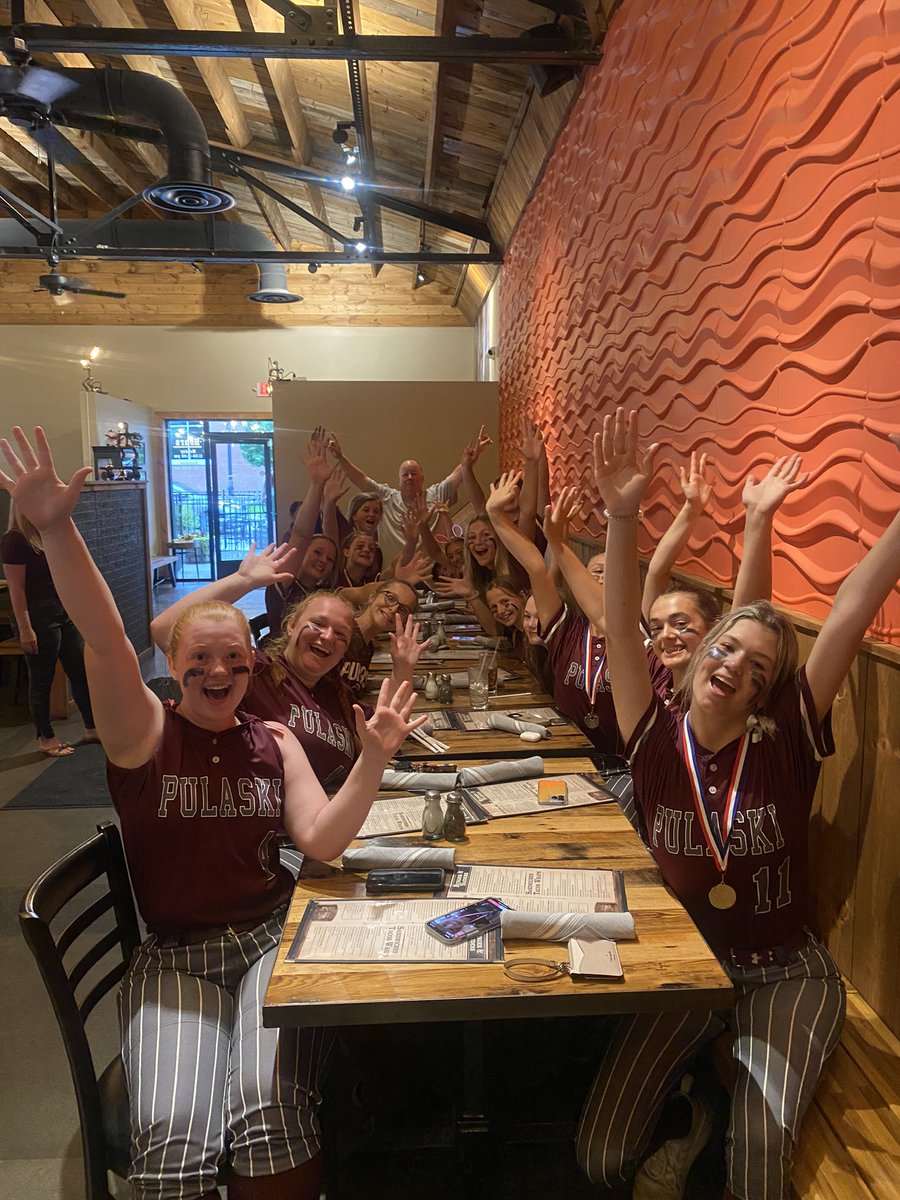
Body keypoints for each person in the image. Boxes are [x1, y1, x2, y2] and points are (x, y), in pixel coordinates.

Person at [0, 425, 425, 1200]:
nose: (221, 667)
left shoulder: (274, 739)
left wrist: (373, 758)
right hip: (176, 960)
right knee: (174, 1139)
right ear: (175, 665)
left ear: (251, 662)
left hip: (269, 942)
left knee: (272, 1112)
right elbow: (104, 638)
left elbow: (324, 841)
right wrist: (56, 528)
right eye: (202, 656)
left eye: (234, 656)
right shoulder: (144, 734)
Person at [577, 409, 900, 1200]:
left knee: (760, 1160)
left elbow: (854, 605)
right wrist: (621, 518)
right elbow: (620, 623)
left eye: (756, 666)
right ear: (696, 660)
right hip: (685, 966)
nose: (734, 664)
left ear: (764, 691)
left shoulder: (786, 736)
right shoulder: (650, 731)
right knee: (601, 1155)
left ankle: (723, 1123)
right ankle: (690, 1122)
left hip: (785, 971)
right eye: (725, 646)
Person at [151, 546, 423, 789]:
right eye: (317, 624)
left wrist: (403, 667)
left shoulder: (335, 694)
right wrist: (242, 581)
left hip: (336, 820)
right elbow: (164, 629)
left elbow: (387, 729)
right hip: (280, 833)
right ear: (291, 625)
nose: (328, 637)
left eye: (340, 635)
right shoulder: (257, 671)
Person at [0, 499, 97, 755]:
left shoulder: (45, 535)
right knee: (42, 679)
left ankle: (92, 728)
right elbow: (16, 588)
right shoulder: (14, 540)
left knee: (79, 671)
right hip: (37, 615)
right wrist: (25, 628)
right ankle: (46, 739)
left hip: (61, 610)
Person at [325, 426, 491, 561]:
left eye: (414, 474)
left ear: (422, 478)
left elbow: (460, 472)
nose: (410, 478)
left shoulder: (437, 493)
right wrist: (340, 458)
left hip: (432, 571)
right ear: (399, 480)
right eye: (405, 474)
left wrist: (476, 454)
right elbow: (360, 478)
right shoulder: (386, 497)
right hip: (395, 571)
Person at [339, 579, 421, 697]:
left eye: (403, 610)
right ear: (372, 597)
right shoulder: (344, 633)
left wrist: (403, 667)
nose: (393, 609)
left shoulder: (367, 648)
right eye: (391, 598)